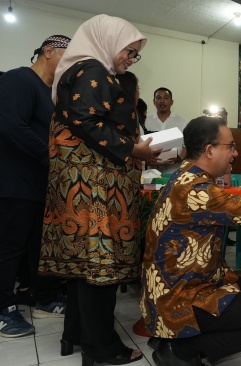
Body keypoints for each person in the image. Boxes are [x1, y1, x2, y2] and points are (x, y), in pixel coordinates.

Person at [39, 14, 161, 364]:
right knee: (101, 270)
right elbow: (86, 121)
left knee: (84, 269)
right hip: (95, 189)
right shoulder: (93, 69)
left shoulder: (77, 70)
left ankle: (74, 336)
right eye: (129, 50)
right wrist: (133, 149)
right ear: (107, 39)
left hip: (83, 185)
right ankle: (101, 348)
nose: (130, 59)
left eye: (135, 55)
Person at [141, 115, 241, 366]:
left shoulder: (185, 176)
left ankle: (179, 341)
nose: (235, 153)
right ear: (209, 150)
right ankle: (183, 349)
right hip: (180, 298)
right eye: (230, 146)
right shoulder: (197, 190)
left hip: (171, 289)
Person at [0, 34, 71, 338]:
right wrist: (51, 155)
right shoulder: (20, 79)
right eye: (66, 57)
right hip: (13, 183)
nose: (69, 65)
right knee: (8, 248)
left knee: (35, 248)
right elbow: (10, 124)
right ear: (48, 50)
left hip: (38, 185)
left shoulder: (49, 92)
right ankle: (3, 310)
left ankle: (41, 297)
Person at [144, 87, 188, 174]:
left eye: (166, 98)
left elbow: (186, 146)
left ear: (172, 102)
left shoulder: (183, 122)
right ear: (154, 101)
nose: (162, 101)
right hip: (151, 172)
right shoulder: (146, 121)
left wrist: (181, 158)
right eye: (159, 98)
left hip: (174, 171)